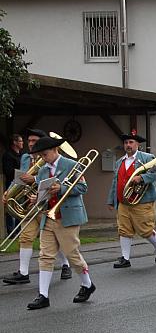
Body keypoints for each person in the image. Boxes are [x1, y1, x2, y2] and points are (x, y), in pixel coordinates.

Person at [26, 137, 96, 310]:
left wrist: (62, 189)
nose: (43, 158)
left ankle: (87, 284)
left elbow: (83, 188)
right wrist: (37, 199)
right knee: (45, 255)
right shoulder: (42, 171)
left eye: (45, 154)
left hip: (68, 216)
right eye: (41, 155)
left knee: (71, 253)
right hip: (48, 216)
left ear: (55, 149)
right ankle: (43, 295)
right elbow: (44, 194)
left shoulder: (72, 165)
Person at [3, 129, 72, 285]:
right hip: (31, 204)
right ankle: (23, 273)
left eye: (34, 141)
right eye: (29, 141)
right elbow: (20, 177)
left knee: (55, 237)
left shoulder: (50, 159)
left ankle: (65, 265)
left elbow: (51, 177)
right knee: (25, 237)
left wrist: (33, 179)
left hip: (46, 204)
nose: (31, 144)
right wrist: (9, 191)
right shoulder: (26, 157)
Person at [107, 132, 156, 268]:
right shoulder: (119, 161)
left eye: (131, 142)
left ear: (137, 144)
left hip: (142, 201)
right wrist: (111, 200)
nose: (128, 145)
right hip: (124, 202)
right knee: (124, 229)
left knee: (145, 229)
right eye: (126, 142)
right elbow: (115, 182)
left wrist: (142, 178)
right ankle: (125, 258)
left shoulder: (146, 157)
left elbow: (155, 174)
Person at [2, 133, 23, 234]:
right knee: (10, 206)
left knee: (20, 206)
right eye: (20, 141)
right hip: (11, 183)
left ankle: (18, 229)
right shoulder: (8, 155)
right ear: (15, 143)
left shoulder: (22, 155)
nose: (22, 143)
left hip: (21, 183)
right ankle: (11, 231)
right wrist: (22, 173)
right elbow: (8, 171)